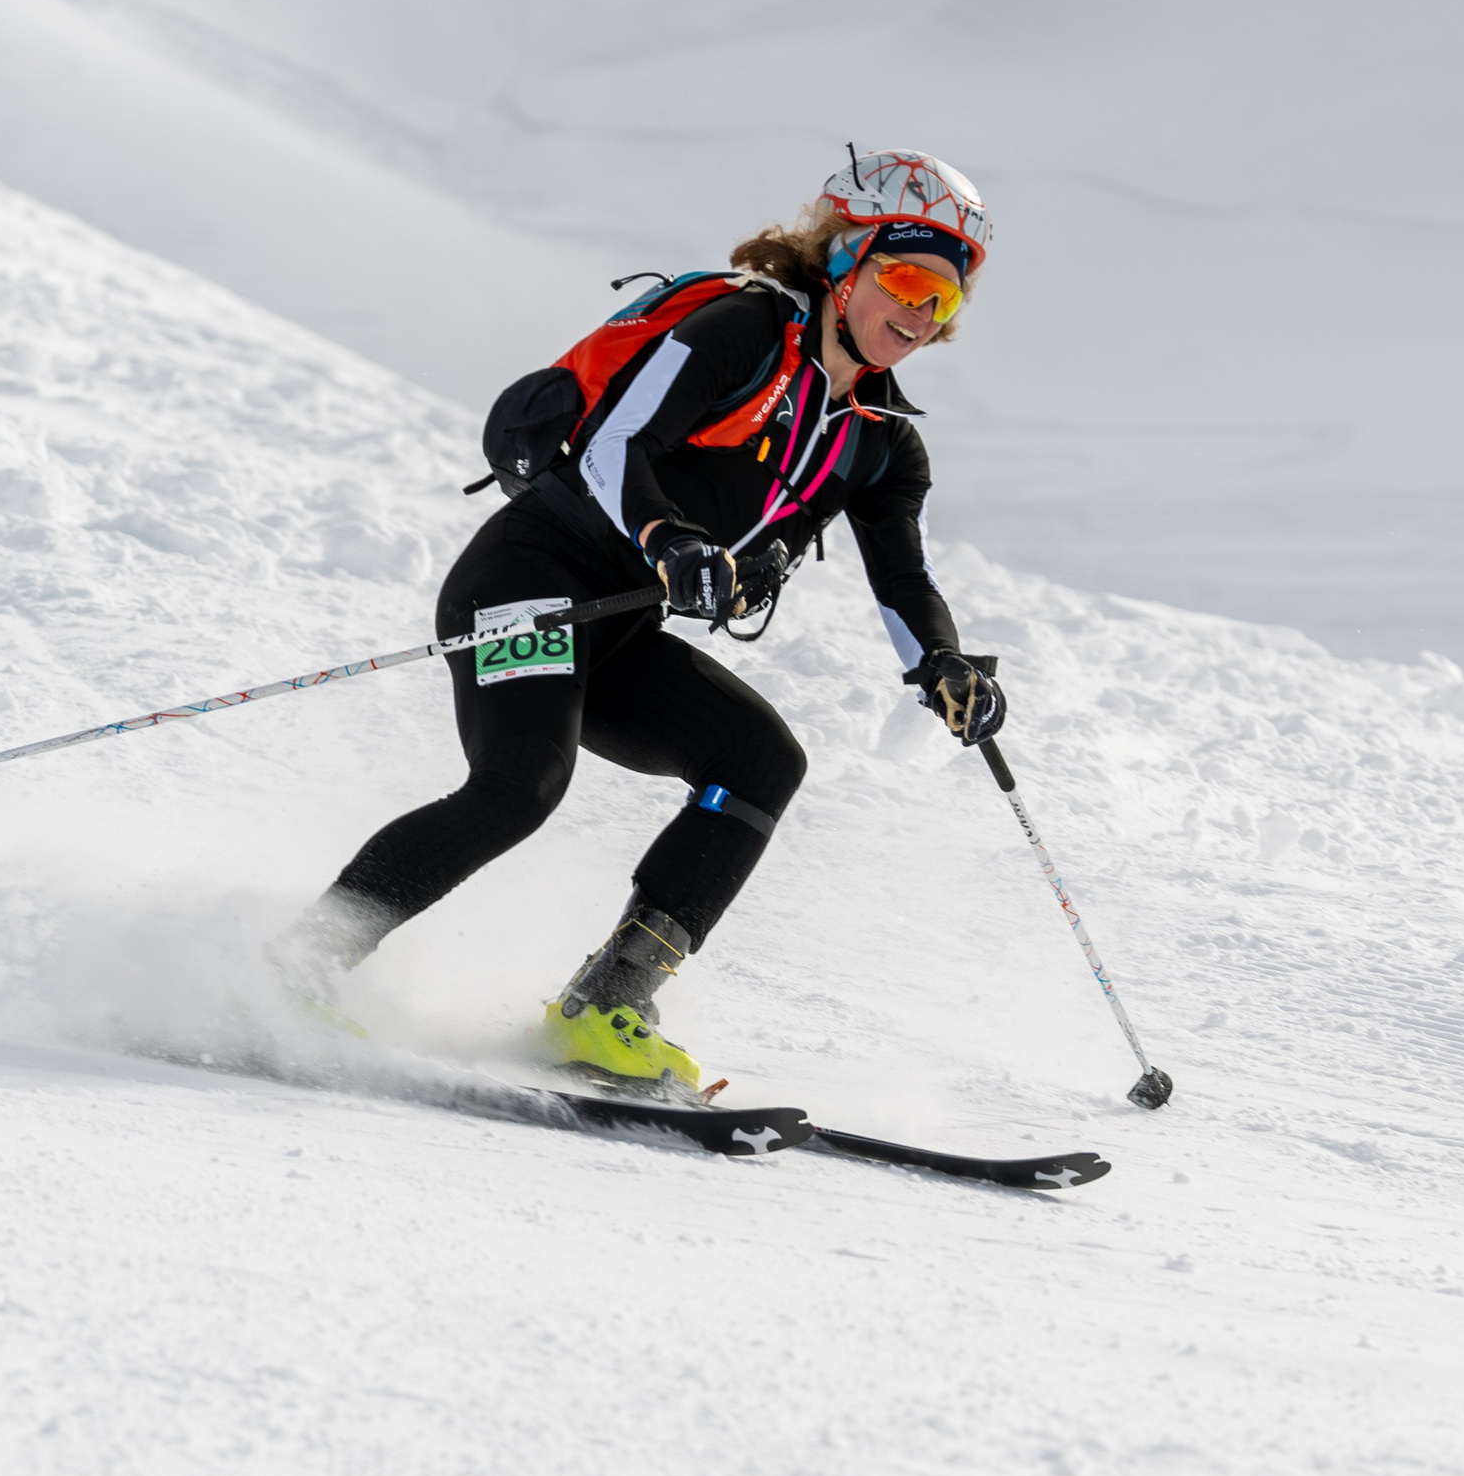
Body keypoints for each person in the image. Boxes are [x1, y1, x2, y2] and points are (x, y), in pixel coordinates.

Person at [272, 149, 1011, 1092]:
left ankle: (607, 1002)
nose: (918, 311)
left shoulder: (876, 441)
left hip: (616, 627)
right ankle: (298, 964)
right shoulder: (746, 326)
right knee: (520, 787)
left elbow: (903, 574)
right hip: (533, 582)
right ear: (843, 261)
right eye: (905, 279)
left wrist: (943, 665)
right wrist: (672, 539)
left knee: (759, 762)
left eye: (942, 300)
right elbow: (621, 440)